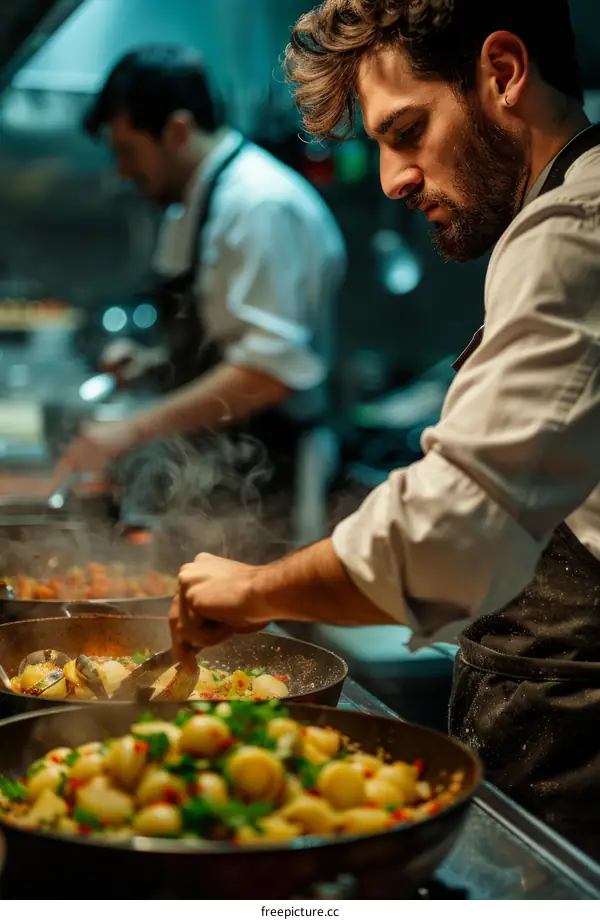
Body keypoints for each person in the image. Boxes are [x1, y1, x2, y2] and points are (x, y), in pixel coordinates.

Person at [169, 0, 600, 858]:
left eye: (409, 130)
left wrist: (254, 591)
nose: (395, 178)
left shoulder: (573, 233)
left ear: (504, 73)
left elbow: (450, 533)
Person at [57, 45, 346, 512]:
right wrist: (154, 363)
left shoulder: (258, 206)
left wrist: (130, 430)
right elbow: (220, 339)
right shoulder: (191, 203)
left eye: (128, 151)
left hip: (275, 475)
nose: (123, 170)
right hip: (217, 467)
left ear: (178, 131)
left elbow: (269, 372)